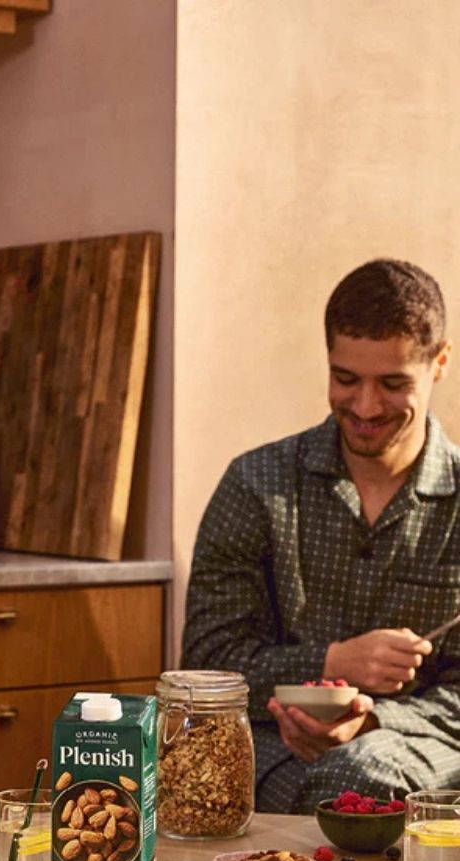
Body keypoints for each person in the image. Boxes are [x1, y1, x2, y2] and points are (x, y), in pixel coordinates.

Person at [182, 258, 460, 814]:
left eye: (393, 383)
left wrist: (373, 717)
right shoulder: (255, 484)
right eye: (346, 379)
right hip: (266, 741)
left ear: (440, 364)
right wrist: (337, 662)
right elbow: (207, 669)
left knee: (361, 776)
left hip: (418, 745)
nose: (364, 407)